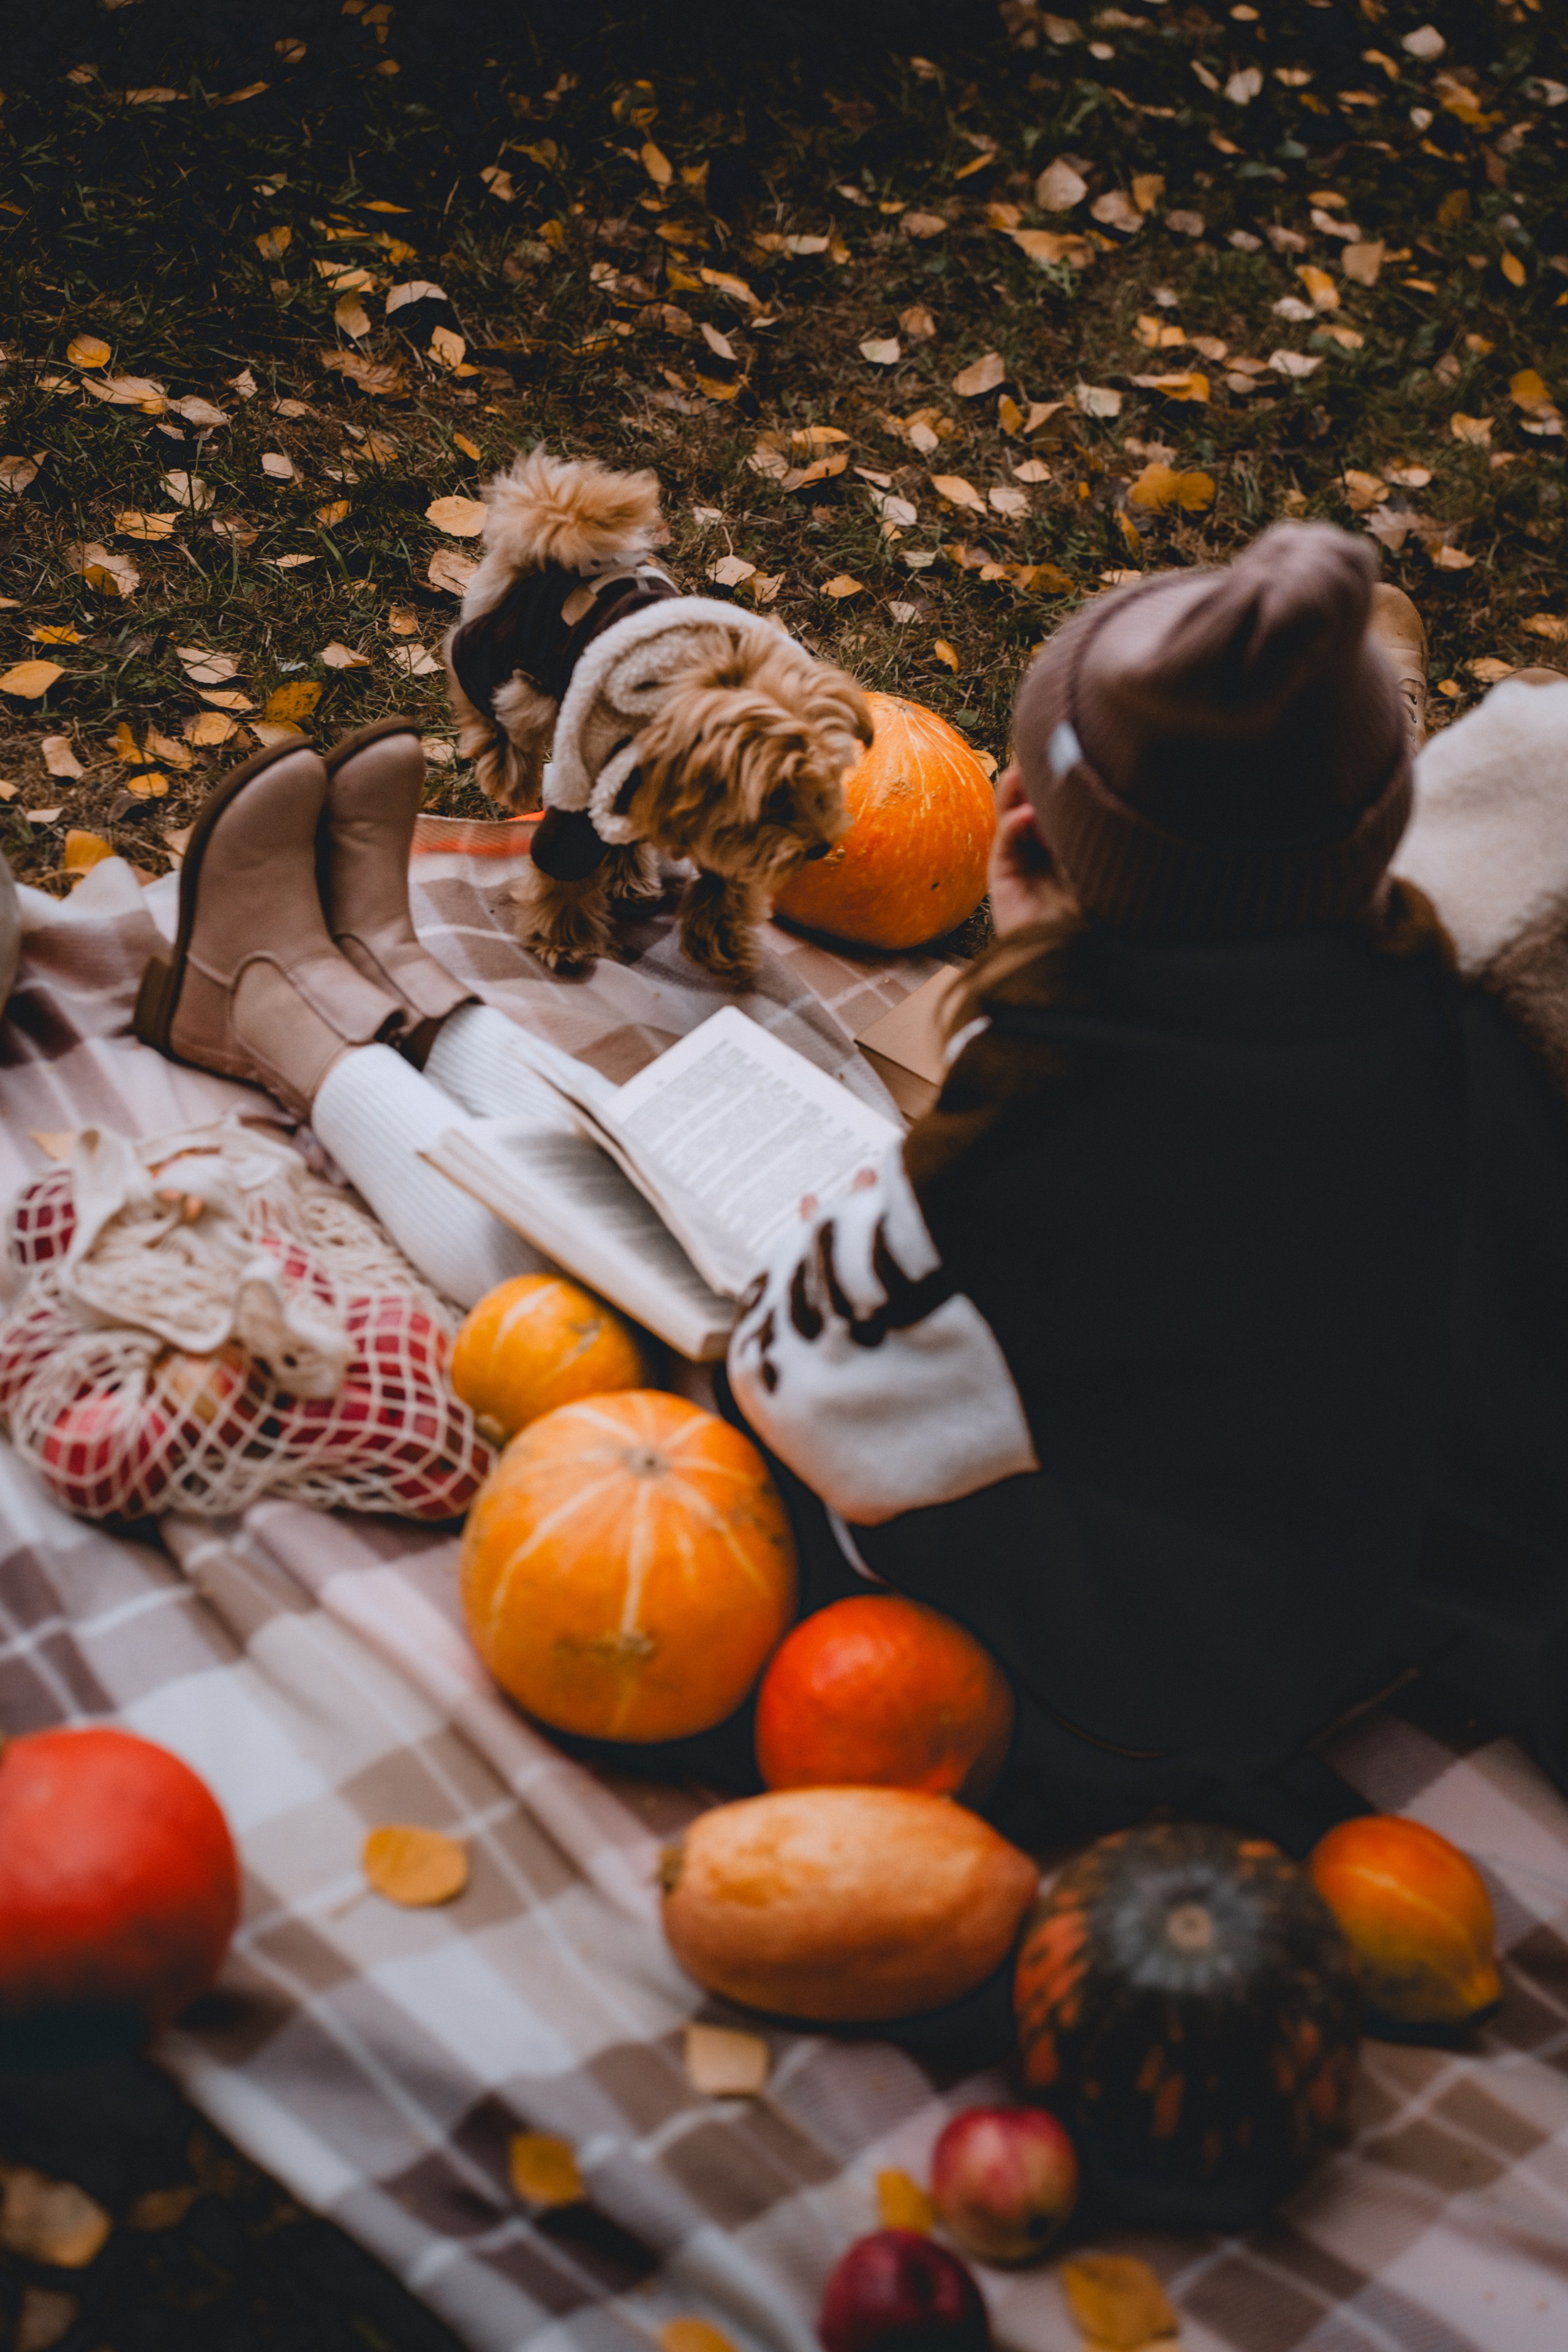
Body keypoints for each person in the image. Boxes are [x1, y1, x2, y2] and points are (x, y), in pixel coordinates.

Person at [726, 522, 1472, 1844]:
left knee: (667, 1404)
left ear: (1024, 820)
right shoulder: (1417, 1007)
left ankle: (345, 1054)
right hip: (1314, 1613)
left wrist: (878, 1206)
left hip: (1108, 1702)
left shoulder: (1043, 1106)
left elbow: (799, 1391)